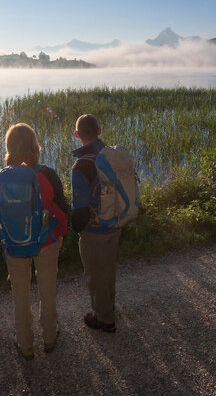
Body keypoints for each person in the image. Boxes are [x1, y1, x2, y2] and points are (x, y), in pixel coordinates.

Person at [2, 123, 68, 360]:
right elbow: (62, 207)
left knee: (20, 296)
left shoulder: (2, 179)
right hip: (46, 241)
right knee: (47, 291)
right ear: (34, 146)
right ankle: (50, 337)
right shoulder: (46, 174)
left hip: (14, 245)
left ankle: (25, 343)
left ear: (9, 147)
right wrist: (59, 232)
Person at [71, 114, 120, 333]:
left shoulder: (81, 165)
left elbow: (80, 208)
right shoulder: (111, 155)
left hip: (94, 229)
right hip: (116, 222)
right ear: (99, 131)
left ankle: (105, 318)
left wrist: (75, 228)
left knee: (95, 273)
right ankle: (108, 305)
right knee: (109, 268)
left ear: (77, 134)